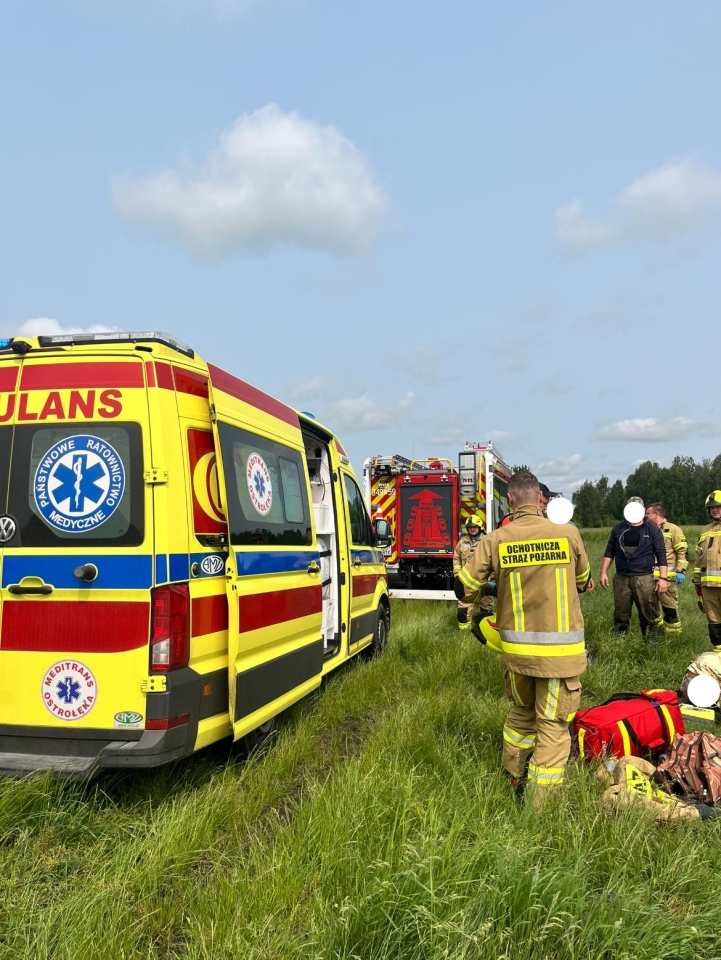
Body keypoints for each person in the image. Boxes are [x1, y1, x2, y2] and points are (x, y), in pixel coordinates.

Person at [455, 470, 593, 803]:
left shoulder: (494, 540)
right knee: (552, 726)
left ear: (512, 500)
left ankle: (514, 778)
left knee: (521, 716)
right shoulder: (568, 534)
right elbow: (583, 579)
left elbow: (463, 588)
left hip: (517, 656)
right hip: (560, 658)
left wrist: (493, 583)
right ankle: (539, 808)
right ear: (540, 500)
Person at [599, 497, 668, 642]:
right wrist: (603, 572)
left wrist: (663, 578)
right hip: (621, 578)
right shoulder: (618, 529)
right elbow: (609, 551)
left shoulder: (653, 530)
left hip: (644, 578)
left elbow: (661, 554)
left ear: (642, 510)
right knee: (620, 613)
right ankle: (620, 642)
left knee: (648, 613)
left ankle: (651, 644)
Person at [644, 503, 688, 635]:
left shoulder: (673, 529)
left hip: (666, 579)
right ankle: (657, 633)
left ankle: (674, 638)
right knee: (651, 609)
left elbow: (683, 551)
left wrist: (681, 570)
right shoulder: (646, 529)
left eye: (647, 513)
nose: (645, 516)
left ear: (656, 514)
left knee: (669, 609)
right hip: (649, 578)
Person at [453, 515, 493, 629]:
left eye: (475, 527)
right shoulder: (462, 542)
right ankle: (464, 633)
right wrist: (457, 575)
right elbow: (456, 559)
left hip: (483, 581)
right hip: (466, 582)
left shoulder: (487, 541)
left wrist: (492, 578)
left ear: (480, 527)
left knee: (486, 608)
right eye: (470, 527)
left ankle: (485, 632)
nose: (472, 529)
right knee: (463, 610)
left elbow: (494, 559)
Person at [693, 491, 721, 648]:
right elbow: (698, 558)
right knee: (714, 621)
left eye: (718, 507)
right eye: (712, 508)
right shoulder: (705, 530)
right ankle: (718, 657)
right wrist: (697, 582)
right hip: (708, 587)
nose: (715, 510)